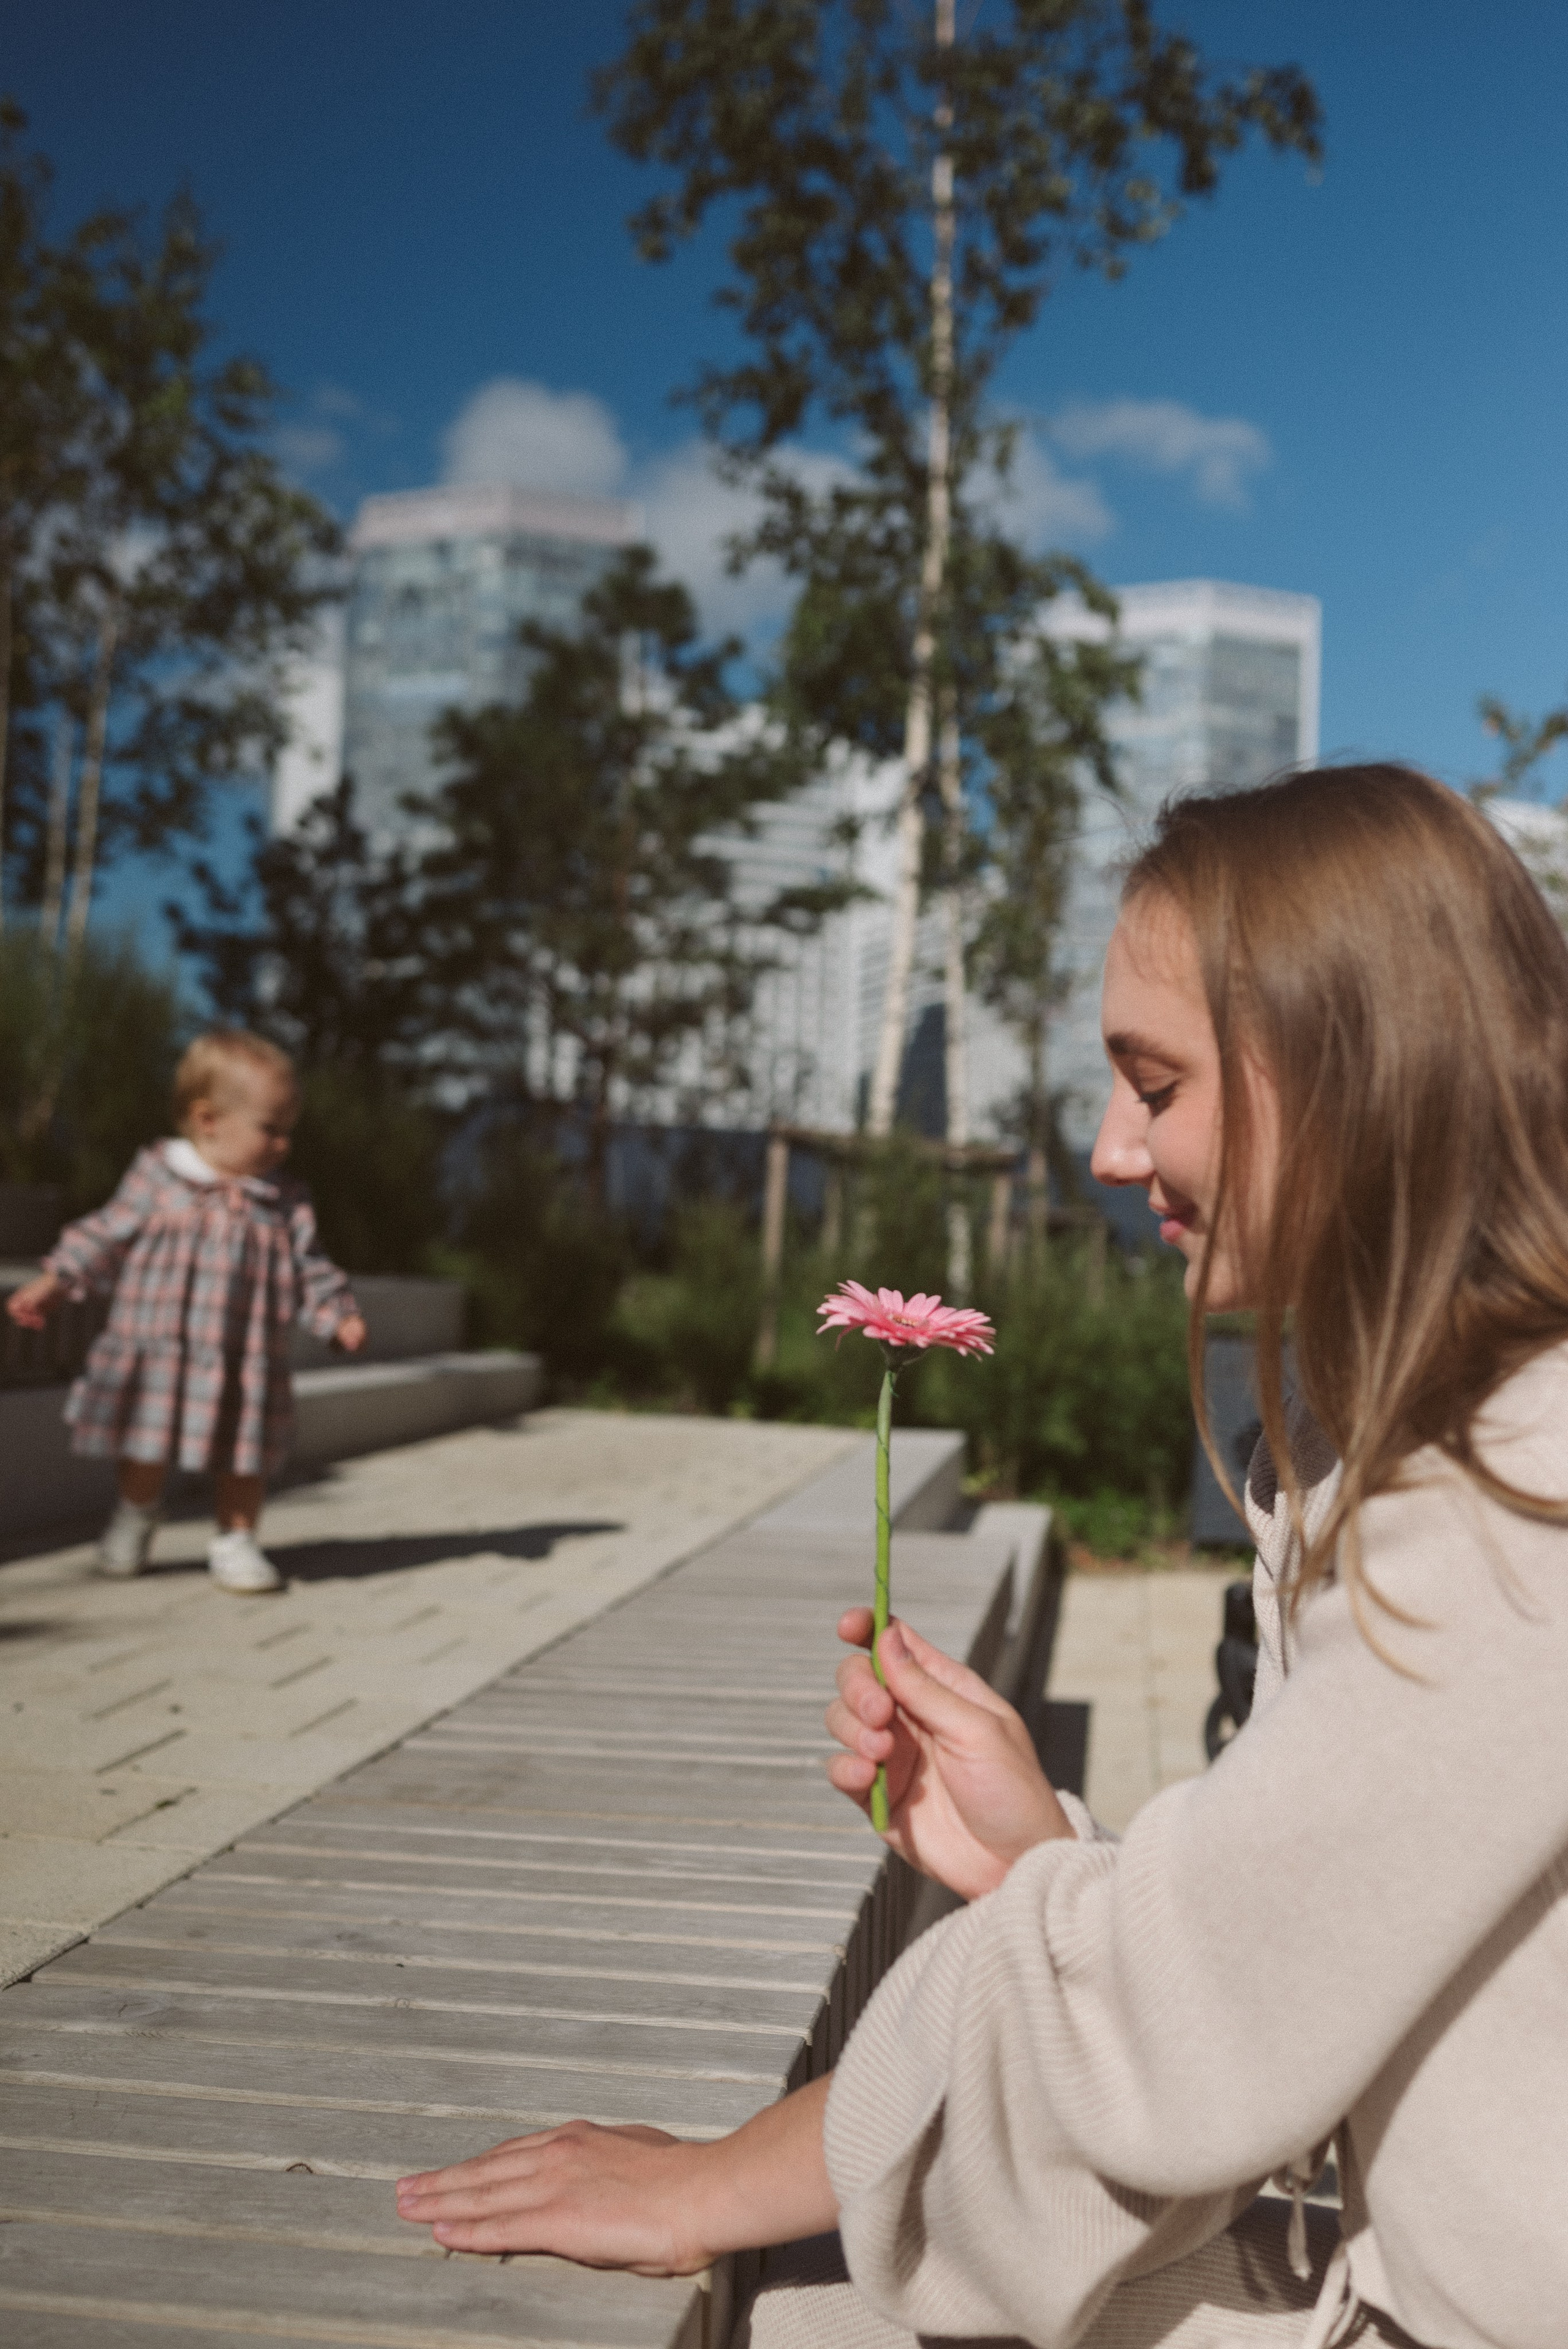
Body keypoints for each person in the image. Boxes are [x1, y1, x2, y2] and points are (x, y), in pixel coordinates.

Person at [394, 766, 1568, 2348]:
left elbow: (1175, 2017)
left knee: (802, 2314)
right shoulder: (1470, 1448)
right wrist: (1047, 1860)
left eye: (1154, 1085)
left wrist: (712, 2182)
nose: (1104, 1145)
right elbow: (1294, 1970)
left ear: (1350, 1074)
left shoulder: (1514, 1503)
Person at [6, 1030, 366, 1594]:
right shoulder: (159, 1176)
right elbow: (105, 1233)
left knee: (245, 1454)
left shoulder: (284, 1200)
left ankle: (237, 1539)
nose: (282, 1146)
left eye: (288, 1132)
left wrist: (337, 1315)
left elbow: (310, 1267)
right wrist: (56, 1280)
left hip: (244, 1357)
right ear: (208, 1120)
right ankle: (136, 1513)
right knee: (146, 1449)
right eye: (270, 1129)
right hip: (159, 1349)